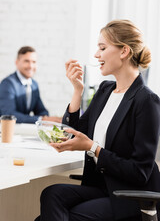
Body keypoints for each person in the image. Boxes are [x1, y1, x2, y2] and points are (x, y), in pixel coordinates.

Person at [35, 20, 160, 221]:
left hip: (128, 196)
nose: (96, 55)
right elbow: (74, 132)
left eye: (102, 48)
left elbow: (140, 172)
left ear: (124, 51)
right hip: (99, 188)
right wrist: (77, 90)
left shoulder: (147, 101)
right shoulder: (104, 91)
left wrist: (94, 148)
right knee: (51, 194)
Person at [0, 46, 62, 124]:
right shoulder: (8, 84)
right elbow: (9, 114)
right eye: (26, 61)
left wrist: (46, 118)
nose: (31, 66)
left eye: (34, 62)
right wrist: (41, 119)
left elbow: (41, 110)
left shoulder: (34, 85)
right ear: (17, 62)